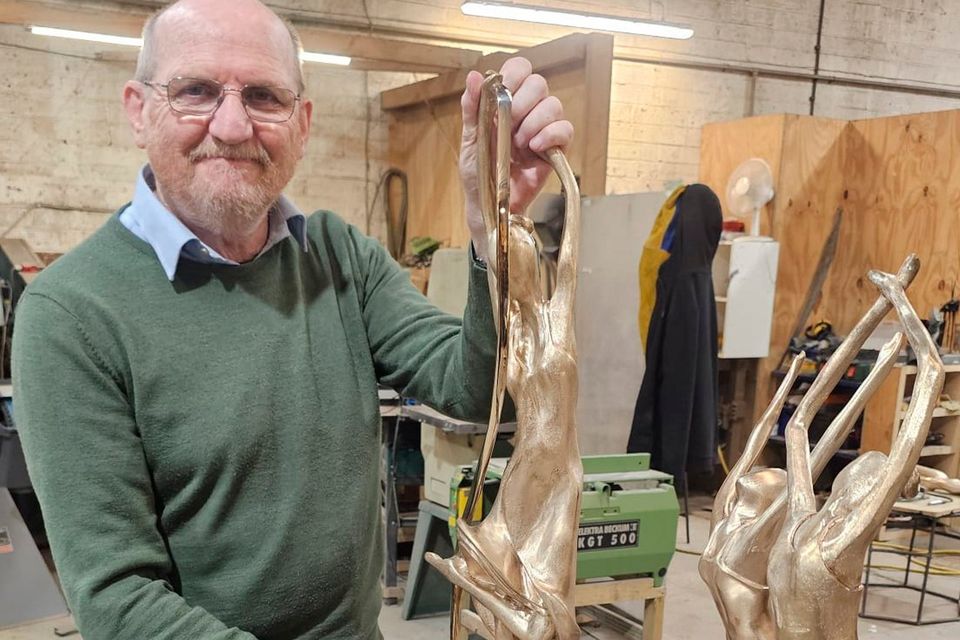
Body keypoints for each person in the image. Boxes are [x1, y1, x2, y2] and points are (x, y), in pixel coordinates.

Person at [10, 1, 573, 638]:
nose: (231, 124)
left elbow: (471, 387)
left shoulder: (338, 257)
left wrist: (492, 227)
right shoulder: (70, 314)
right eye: (195, 90)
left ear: (300, 123)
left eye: (263, 96)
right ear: (139, 110)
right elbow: (118, 598)